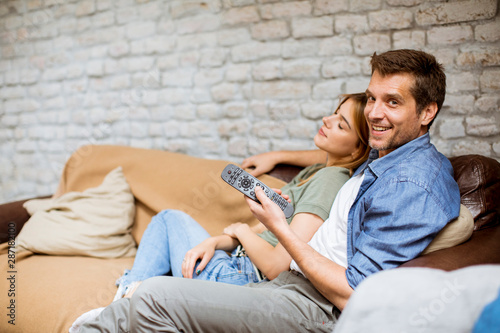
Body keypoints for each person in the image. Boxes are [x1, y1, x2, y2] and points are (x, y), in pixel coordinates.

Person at [80, 49, 461, 333]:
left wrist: (276, 225)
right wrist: (280, 155)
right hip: (290, 286)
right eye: (372, 98)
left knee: (153, 296)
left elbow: (353, 293)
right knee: (118, 317)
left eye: (392, 102)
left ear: (427, 111)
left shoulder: (410, 184)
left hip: (313, 306)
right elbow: (345, 153)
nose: (375, 113)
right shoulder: (389, 155)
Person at [70, 93, 370, 331]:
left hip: (242, 279)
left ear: (358, 150)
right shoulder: (322, 168)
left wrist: (239, 228)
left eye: (341, 124)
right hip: (235, 262)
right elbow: (326, 154)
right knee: (169, 220)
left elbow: (279, 264)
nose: (327, 120)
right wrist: (215, 240)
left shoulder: (331, 180)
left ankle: (123, 299)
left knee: (167, 220)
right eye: (334, 112)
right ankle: (126, 300)